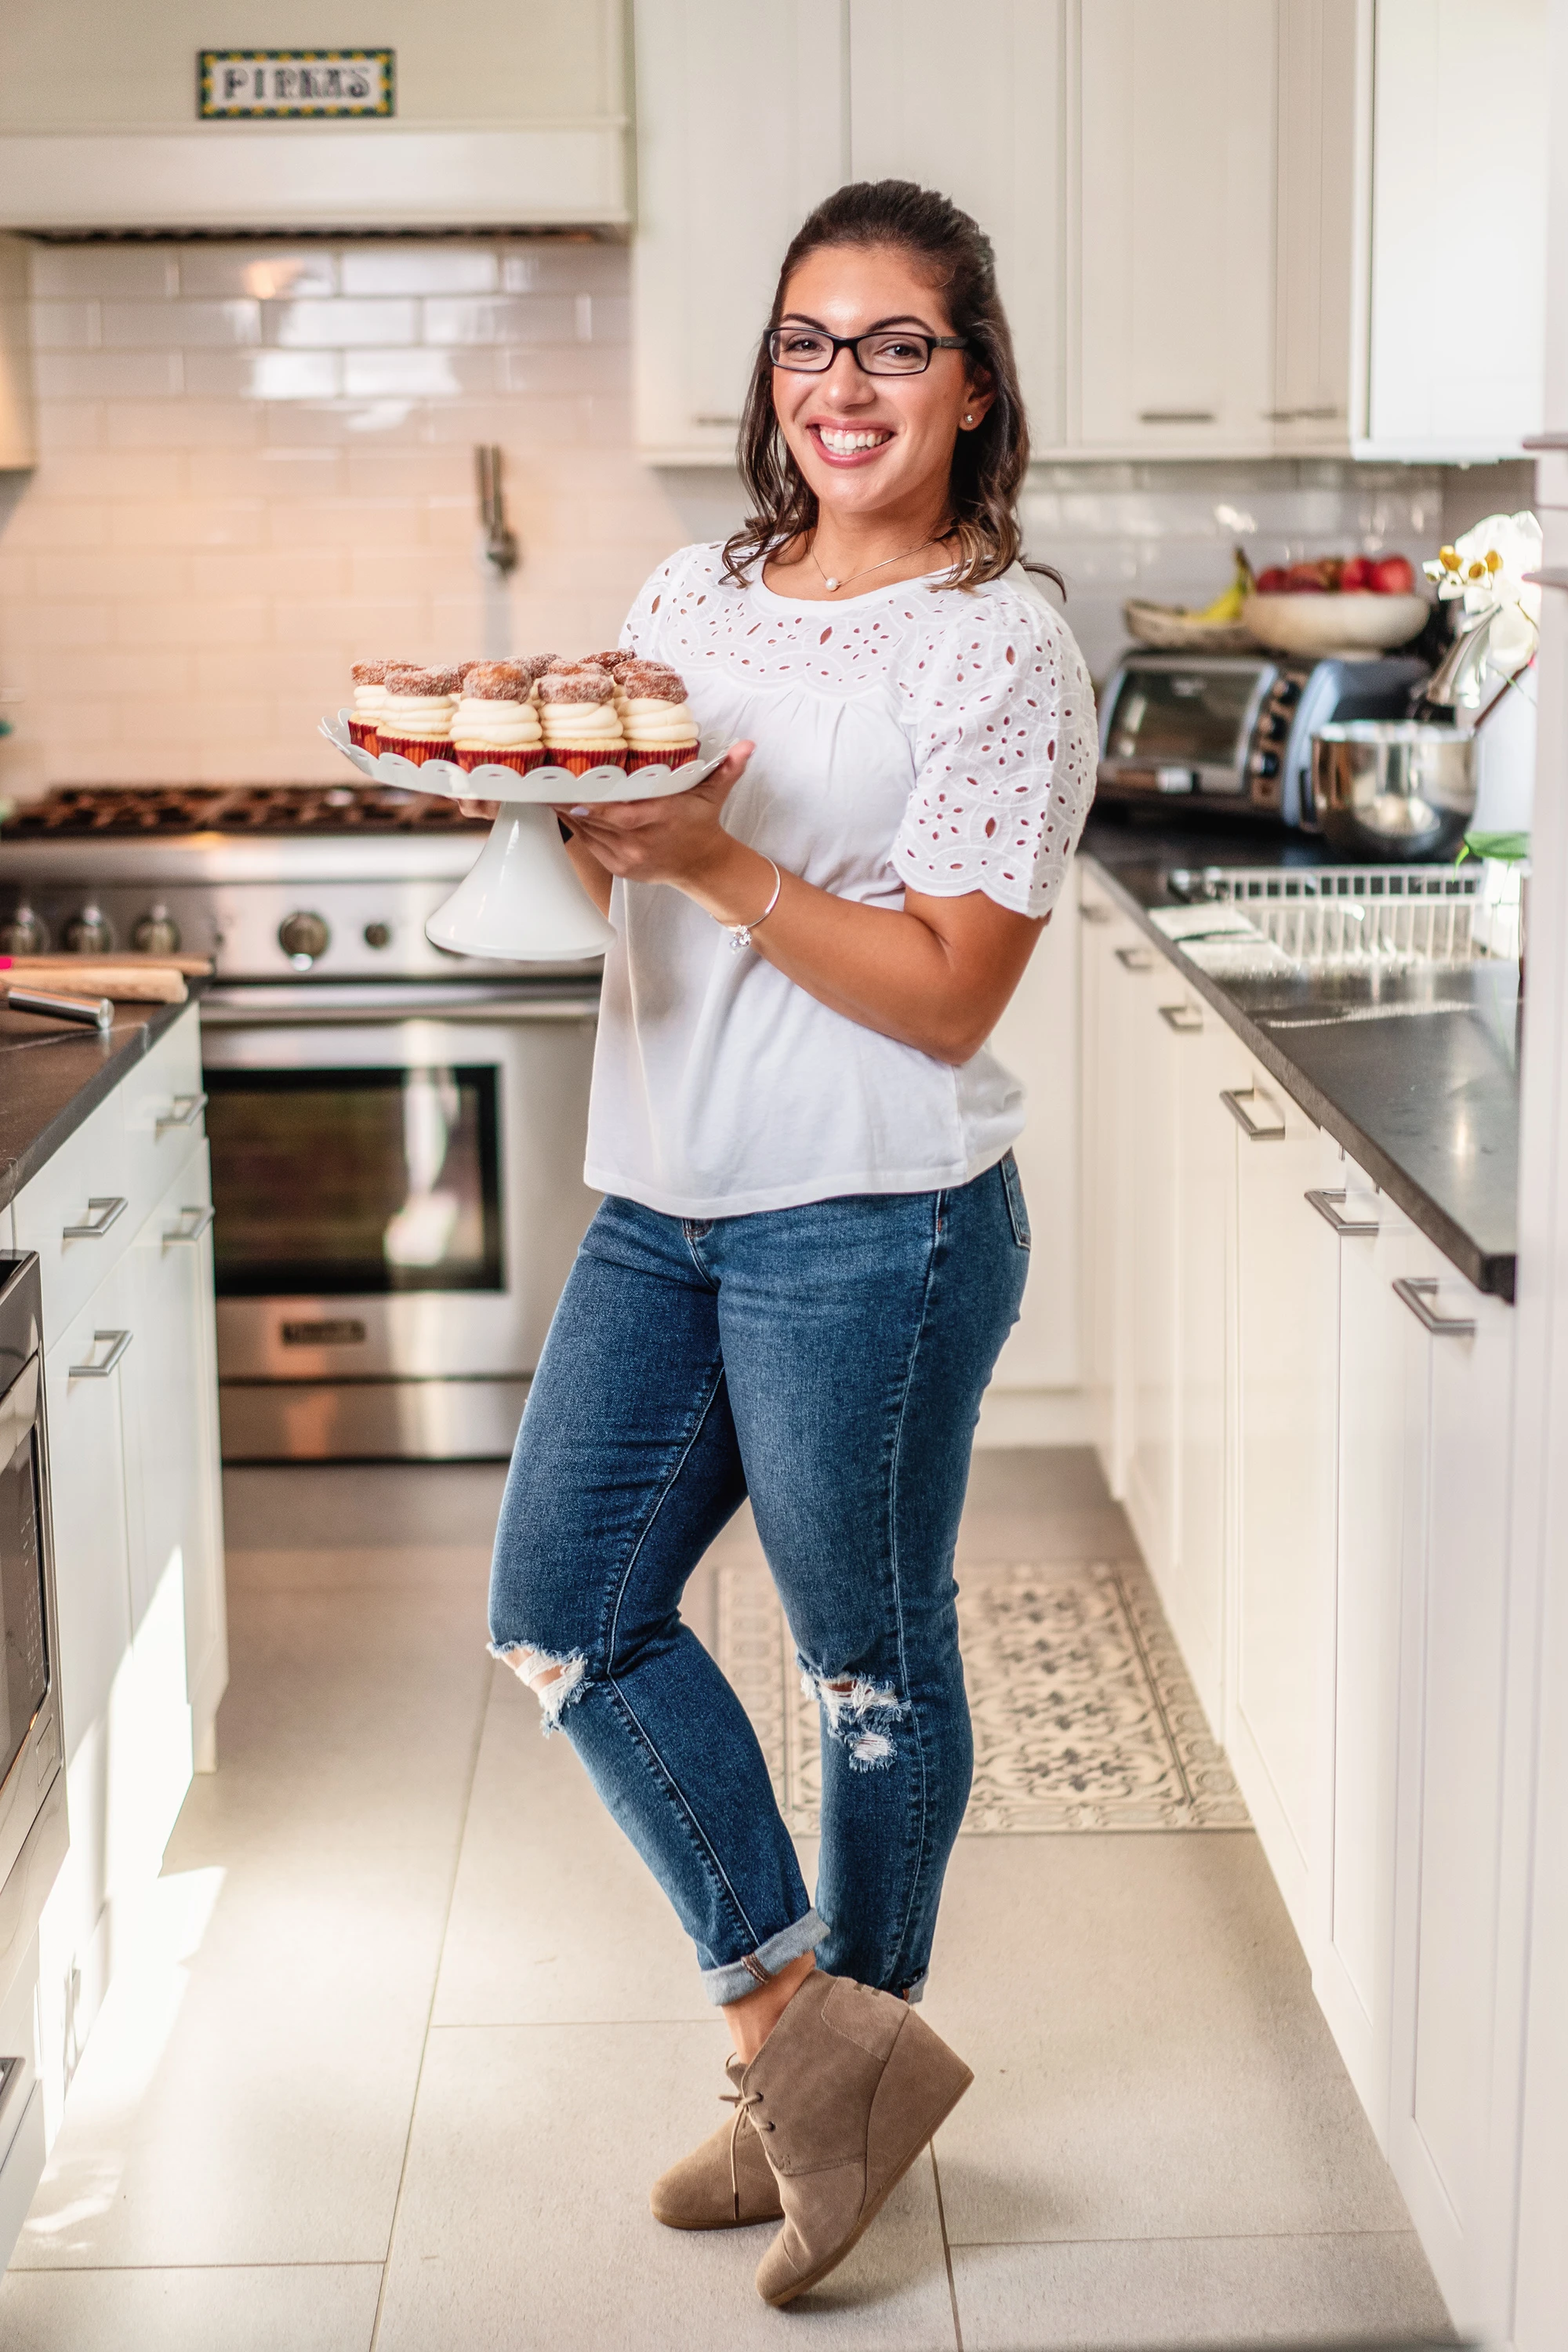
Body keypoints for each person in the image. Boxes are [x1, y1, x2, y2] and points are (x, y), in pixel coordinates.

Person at [486, 177, 1097, 2308]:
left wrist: (719, 854)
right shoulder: (697, 589)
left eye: (894, 344)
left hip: (877, 1222)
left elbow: (947, 987)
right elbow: (626, 897)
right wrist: (557, 799)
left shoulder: (1004, 644)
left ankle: (835, 2087)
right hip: (663, 1201)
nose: (843, 385)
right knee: (566, 1615)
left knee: (863, 1668)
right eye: (807, 343)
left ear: (975, 379)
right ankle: (800, 2051)